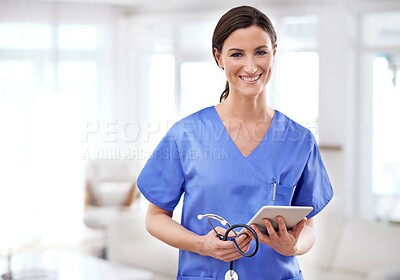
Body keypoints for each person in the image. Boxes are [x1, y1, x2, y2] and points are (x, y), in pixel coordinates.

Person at [137, 5, 333, 280]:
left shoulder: (299, 140)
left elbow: (308, 227)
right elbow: (155, 217)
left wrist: (294, 245)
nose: (251, 66)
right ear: (219, 58)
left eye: (261, 52)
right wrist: (202, 245)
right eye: (237, 54)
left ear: (274, 52)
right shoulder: (187, 135)